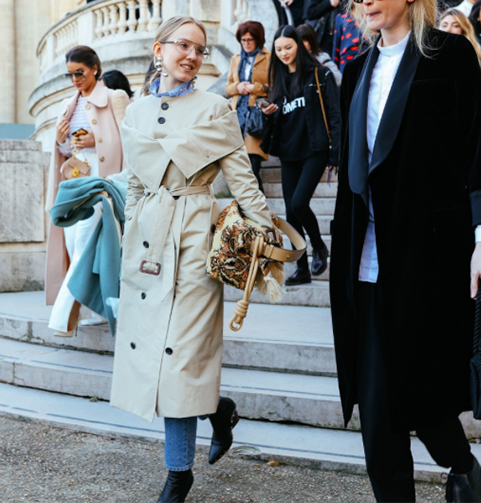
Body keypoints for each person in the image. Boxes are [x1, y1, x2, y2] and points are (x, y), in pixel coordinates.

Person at [329, 0, 481, 498]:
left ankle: (461, 463)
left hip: (428, 256)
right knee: (378, 409)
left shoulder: (447, 55)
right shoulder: (355, 68)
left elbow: (478, 154)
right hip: (363, 260)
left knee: (417, 396)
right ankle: (457, 469)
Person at [109, 16, 274, 503]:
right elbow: (136, 184)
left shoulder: (217, 108)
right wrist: (132, 231)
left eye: (200, 50)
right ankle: (218, 410)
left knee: (180, 361)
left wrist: (265, 234)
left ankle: (178, 474)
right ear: (159, 50)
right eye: (183, 46)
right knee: (163, 361)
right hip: (148, 244)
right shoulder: (135, 111)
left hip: (198, 244)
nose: (192, 56)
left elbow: (241, 180)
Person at [45, 46, 130, 335]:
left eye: (79, 73)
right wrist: (60, 142)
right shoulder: (67, 105)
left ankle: (63, 317)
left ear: (95, 68)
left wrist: (98, 139)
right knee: (72, 246)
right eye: (70, 75)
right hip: (75, 180)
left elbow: (128, 141)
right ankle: (99, 310)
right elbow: (67, 151)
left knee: (83, 245)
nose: (75, 80)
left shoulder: (115, 98)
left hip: (101, 182)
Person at [260, 25, 341, 286]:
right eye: (279, 49)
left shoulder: (321, 75)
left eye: (288, 47)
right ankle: (303, 268)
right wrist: (268, 116)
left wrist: (336, 153)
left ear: (299, 45)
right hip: (289, 152)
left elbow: (336, 116)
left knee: (298, 203)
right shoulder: (278, 82)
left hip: (315, 150)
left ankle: (319, 247)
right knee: (291, 215)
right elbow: (274, 127)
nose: (284, 53)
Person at [225, 20, 271, 192]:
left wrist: (255, 88)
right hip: (238, 113)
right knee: (239, 162)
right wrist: (237, 87)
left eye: (249, 40)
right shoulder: (235, 59)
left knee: (253, 162)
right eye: (243, 40)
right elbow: (228, 87)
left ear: (258, 39)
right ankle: (251, 201)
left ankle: (256, 200)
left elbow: (275, 87)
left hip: (256, 113)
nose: (246, 44)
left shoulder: (268, 57)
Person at [439, 8, 481, 105]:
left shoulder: (477, 60)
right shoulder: (428, 59)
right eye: (444, 25)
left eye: (455, 25)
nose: (448, 29)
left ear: (463, 31)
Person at [332, 2, 366, 74]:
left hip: (366, 57)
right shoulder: (341, 17)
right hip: (347, 60)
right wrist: (335, 69)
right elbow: (336, 44)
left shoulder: (369, 16)